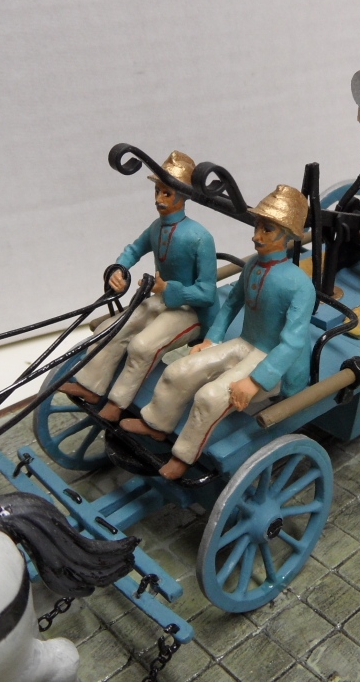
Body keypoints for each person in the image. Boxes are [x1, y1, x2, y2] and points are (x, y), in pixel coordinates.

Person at [122, 184, 315, 480]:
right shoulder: (252, 266)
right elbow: (231, 304)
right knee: (178, 371)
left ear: (288, 236)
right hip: (245, 343)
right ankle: (156, 424)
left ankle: (183, 456)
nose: (256, 236)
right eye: (257, 227)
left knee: (210, 396)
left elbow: (292, 343)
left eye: (267, 230)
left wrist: (255, 380)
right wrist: (211, 340)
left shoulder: (300, 285)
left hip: (274, 361)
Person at [61, 151, 217, 422]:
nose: (158, 199)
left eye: (167, 193)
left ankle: (117, 403)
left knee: (143, 346)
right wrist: (119, 269)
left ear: (183, 196)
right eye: (157, 191)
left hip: (191, 311)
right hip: (159, 299)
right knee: (111, 328)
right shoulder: (157, 228)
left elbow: (207, 293)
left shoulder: (200, 237)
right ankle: (91, 387)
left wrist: (168, 290)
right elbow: (134, 250)